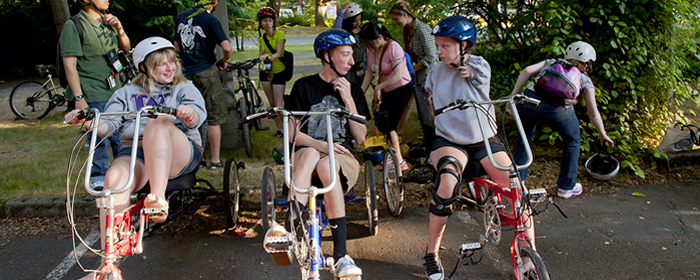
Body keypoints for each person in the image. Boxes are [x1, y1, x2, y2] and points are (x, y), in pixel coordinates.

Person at [65, 37, 206, 280]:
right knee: (113, 179)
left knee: (157, 120)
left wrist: (187, 113)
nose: (169, 68)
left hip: (177, 150)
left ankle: (158, 199)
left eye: (171, 62)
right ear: (144, 66)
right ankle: (106, 265)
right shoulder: (126, 93)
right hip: (137, 153)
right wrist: (87, 120)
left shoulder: (184, 88)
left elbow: (196, 118)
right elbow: (107, 126)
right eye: (161, 64)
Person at [423, 16, 535, 280]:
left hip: (484, 139)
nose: (439, 52)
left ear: (464, 46)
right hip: (449, 140)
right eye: (438, 46)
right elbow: (430, 95)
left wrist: (466, 68)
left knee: (517, 188)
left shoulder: (478, 64)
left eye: (445, 46)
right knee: (448, 180)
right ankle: (431, 254)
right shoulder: (436, 71)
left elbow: (478, 76)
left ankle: (528, 254)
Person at [264, 29, 371, 278]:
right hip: (309, 154)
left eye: (351, 55)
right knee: (312, 154)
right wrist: (322, 146)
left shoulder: (353, 90)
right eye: (345, 54)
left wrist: (348, 99)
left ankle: (341, 254)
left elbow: (360, 136)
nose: (351, 61)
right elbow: (291, 134)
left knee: (327, 166)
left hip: (341, 158)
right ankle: (290, 234)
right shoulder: (303, 87)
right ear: (326, 56)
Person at [511, 41, 615, 199]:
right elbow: (593, 112)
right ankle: (566, 187)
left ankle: (518, 183)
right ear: (587, 63)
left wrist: (513, 97)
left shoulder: (552, 62)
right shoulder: (584, 79)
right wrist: (602, 133)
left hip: (529, 101)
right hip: (558, 110)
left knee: (524, 137)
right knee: (572, 139)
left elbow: (527, 70)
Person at [60, 0, 132, 188]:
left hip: (115, 91)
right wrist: (79, 98)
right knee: (98, 138)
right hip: (92, 92)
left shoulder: (107, 21)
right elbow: (70, 66)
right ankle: (99, 180)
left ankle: (125, 176)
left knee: (121, 137)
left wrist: (119, 28)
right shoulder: (74, 25)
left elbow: (126, 47)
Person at [174, 0, 232, 169]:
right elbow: (226, 47)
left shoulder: (180, 17)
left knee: (190, 115)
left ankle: (196, 158)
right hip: (207, 70)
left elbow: (177, 47)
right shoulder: (210, 21)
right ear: (213, 3)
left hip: (184, 73)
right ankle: (215, 161)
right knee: (214, 116)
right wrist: (225, 60)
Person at [360, 22, 414, 172]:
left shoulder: (394, 47)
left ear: (380, 37)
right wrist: (360, 92)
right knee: (383, 123)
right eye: (367, 44)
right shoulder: (371, 49)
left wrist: (378, 87)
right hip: (386, 90)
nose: (370, 46)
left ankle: (399, 161)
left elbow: (397, 76)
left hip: (401, 88)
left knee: (390, 125)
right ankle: (392, 156)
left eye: (371, 43)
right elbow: (370, 71)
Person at [389, 0, 438, 146]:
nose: (395, 22)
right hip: (416, 77)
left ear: (404, 15)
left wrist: (411, 69)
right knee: (415, 109)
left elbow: (432, 58)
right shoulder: (408, 31)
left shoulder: (422, 30)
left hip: (427, 77)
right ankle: (397, 138)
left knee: (429, 113)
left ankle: (435, 143)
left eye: (396, 19)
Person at [257, 7, 289, 137]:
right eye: (264, 21)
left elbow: (279, 53)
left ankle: (288, 128)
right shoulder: (262, 38)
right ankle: (280, 129)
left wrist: (269, 57)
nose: (267, 23)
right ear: (261, 23)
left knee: (278, 104)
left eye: (270, 20)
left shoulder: (279, 35)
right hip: (266, 71)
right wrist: (261, 60)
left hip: (279, 71)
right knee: (271, 103)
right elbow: (261, 54)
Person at [331, 2, 367, 85]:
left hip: (360, 68)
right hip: (346, 69)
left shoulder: (363, 31)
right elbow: (335, 32)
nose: (357, 23)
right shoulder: (343, 33)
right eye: (354, 21)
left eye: (359, 20)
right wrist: (341, 13)